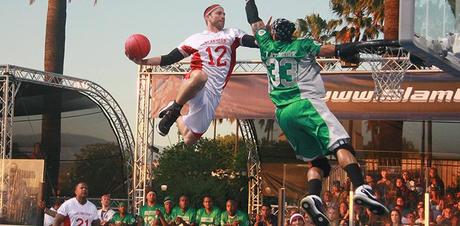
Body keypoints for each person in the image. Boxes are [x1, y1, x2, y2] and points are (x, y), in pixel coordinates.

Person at [243, 0, 389, 225]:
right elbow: (330, 50)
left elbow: (254, 20)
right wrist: (345, 49)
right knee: (341, 145)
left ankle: (312, 195)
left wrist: (248, 2)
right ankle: (361, 187)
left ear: (274, 34)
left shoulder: (266, 45)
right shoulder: (301, 45)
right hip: (305, 104)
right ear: (291, 33)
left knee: (318, 163)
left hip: (282, 113)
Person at [128, 4, 258, 145]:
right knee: (200, 76)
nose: (223, 16)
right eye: (219, 13)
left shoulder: (232, 33)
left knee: (189, 139)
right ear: (208, 17)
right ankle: (175, 109)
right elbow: (170, 58)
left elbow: (255, 42)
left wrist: (266, 36)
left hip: (213, 93)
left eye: (224, 14)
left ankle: (172, 111)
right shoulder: (196, 39)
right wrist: (144, 62)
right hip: (195, 83)